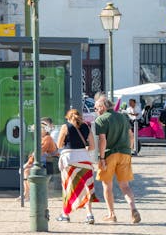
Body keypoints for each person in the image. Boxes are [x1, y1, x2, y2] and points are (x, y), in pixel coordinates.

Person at [92, 92, 140, 224]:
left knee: (107, 185)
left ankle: (111, 214)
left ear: (102, 107)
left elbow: (102, 140)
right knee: (125, 185)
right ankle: (133, 208)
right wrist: (128, 150)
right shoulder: (123, 117)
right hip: (125, 154)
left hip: (109, 155)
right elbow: (131, 136)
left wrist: (101, 158)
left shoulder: (101, 120)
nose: (96, 111)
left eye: (96, 108)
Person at [56, 108, 96, 223]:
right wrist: (82, 150)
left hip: (69, 160)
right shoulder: (86, 127)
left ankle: (65, 214)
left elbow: (59, 145)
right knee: (87, 187)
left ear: (68, 117)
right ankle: (89, 215)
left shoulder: (65, 127)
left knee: (67, 186)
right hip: (84, 159)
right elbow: (92, 147)